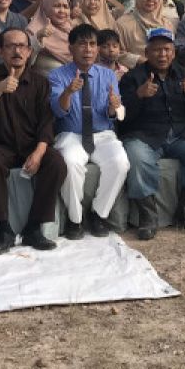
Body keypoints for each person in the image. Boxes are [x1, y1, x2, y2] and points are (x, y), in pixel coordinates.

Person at [0, 28, 67, 253]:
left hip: (30, 145)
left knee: (56, 163)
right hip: (0, 144)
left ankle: (33, 229)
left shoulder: (40, 82)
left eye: (22, 46)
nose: (17, 51)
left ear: (29, 51)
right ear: (0, 51)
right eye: (10, 46)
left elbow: (47, 122)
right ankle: (4, 229)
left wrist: (39, 152)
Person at [119, 28, 185, 239]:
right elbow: (121, 117)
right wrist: (139, 95)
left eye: (166, 50)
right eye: (156, 50)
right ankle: (148, 217)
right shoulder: (132, 78)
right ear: (147, 52)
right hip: (145, 135)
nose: (162, 55)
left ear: (173, 52)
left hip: (181, 133)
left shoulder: (184, 74)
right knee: (137, 157)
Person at [48, 24, 129, 239]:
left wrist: (113, 106)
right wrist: (68, 91)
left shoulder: (108, 75)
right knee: (70, 162)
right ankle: (76, 220)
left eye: (93, 44)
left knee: (120, 162)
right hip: (71, 134)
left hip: (102, 134)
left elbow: (113, 113)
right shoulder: (57, 76)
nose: (88, 49)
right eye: (82, 44)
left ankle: (99, 214)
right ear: (71, 48)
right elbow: (57, 110)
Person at [115, 0, 174, 70]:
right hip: (132, 75)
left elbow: (171, 52)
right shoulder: (122, 24)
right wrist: (139, 60)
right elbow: (117, 53)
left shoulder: (167, 25)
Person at [29, 0, 74, 75]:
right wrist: (38, 37)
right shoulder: (33, 30)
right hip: (45, 85)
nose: (62, 11)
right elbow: (26, 61)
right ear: (46, 7)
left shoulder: (72, 29)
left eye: (65, 7)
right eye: (57, 6)